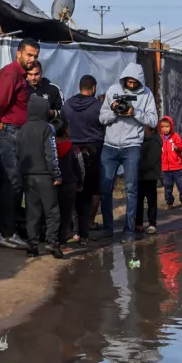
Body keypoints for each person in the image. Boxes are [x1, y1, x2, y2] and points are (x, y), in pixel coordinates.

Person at [0, 38, 39, 250]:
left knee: (6, 182)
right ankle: (7, 232)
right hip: (9, 133)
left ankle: (1, 227)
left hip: (13, 133)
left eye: (35, 56)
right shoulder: (11, 74)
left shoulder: (19, 75)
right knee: (13, 181)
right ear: (18, 54)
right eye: (29, 55)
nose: (32, 59)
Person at [98, 63, 158, 238]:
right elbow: (102, 118)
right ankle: (108, 228)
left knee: (131, 188)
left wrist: (134, 112)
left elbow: (153, 121)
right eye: (129, 82)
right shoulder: (113, 90)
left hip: (132, 145)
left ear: (140, 81)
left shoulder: (146, 94)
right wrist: (115, 111)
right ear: (124, 79)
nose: (131, 85)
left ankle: (129, 230)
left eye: (135, 82)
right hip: (109, 146)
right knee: (105, 188)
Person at [18, 95, 63, 258]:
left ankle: (32, 246)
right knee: (52, 211)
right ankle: (52, 243)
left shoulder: (23, 129)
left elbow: (18, 153)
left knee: (32, 212)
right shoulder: (47, 128)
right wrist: (57, 174)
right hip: (45, 176)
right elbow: (51, 154)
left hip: (27, 176)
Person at [62, 75, 105, 242]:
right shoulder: (98, 107)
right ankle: (89, 222)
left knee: (73, 188)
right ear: (93, 88)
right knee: (93, 190)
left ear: (79, 87)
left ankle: (73, 225)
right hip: (94, 150)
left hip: (72, 150)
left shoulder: (67, 105)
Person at [54, 115, 84, 246]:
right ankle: (62, 242)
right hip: (69, 185)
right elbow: (79, 167)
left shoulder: (49, 148)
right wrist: (80, 182)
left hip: (53, 184)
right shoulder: (72, 148)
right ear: (66, 131)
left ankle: (51, 240)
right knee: (67, 215)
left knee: (53, 213)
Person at [134, 126, 161, 235]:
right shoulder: (141, 140)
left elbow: (150, 161)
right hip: (140, 177)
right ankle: (138, 223)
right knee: (138, 202)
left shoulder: (155, 141)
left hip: (150, 177)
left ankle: (152, 224)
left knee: (151, 202)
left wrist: (137, 169)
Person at [159, 116, 182, 210]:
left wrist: (177, 148)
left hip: (176, 167)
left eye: (167, 126)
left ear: (171, 126)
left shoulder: (175, 136)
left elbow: (181, 146)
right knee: (167, 186)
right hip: (165, 168)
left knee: (181, 185)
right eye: (163, 127)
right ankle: (169, 203)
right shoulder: (160, 138)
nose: (165, 129)